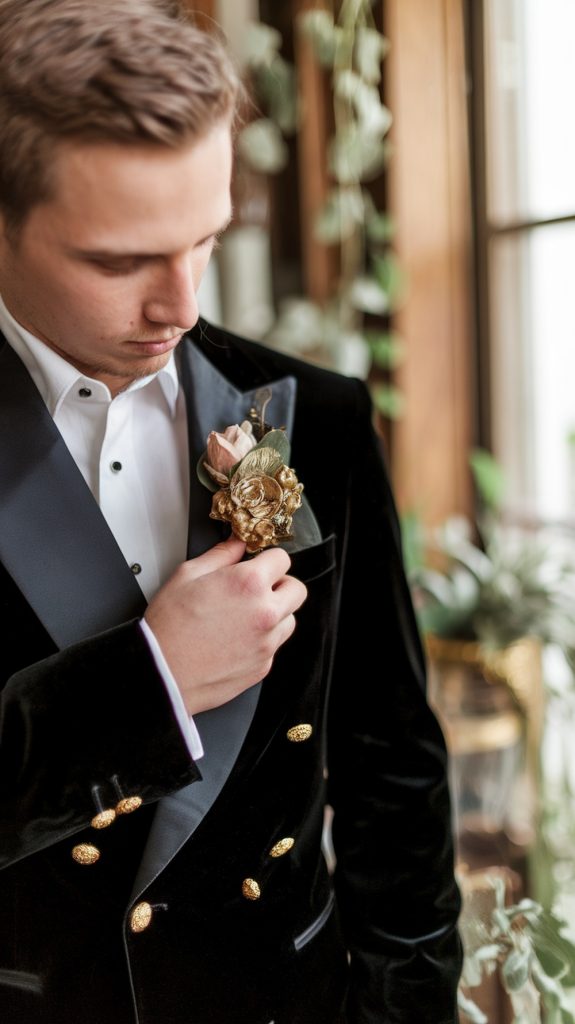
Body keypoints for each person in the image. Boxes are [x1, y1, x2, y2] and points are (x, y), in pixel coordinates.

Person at [0, 1, 462, 1021]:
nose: (181, 306)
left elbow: (393, 773)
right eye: (118, 261)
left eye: (203, 239)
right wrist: (150, 680)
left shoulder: (317, 416)